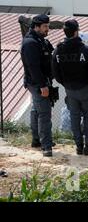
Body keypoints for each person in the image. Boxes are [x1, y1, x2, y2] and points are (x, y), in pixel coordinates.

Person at [52, 20, 88, 155]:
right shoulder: (84, 49)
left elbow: (55, 72)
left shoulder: (58, 50)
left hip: (70, 89)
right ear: (76, 32)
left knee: (74, 116)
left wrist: (65, 84)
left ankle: (79, 146)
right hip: (84, 87)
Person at [20, 14, 55, 157]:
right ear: (36, 27)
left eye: (48, 26)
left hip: (38, 81)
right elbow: (33, 67)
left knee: (36, 111)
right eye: (45, 27)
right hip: (37, 83)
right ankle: (46, 146)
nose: (48, 29)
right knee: (44, 114)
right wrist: (43, 86)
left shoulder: (39, 40)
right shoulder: (30, 43)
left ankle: (37, 140)